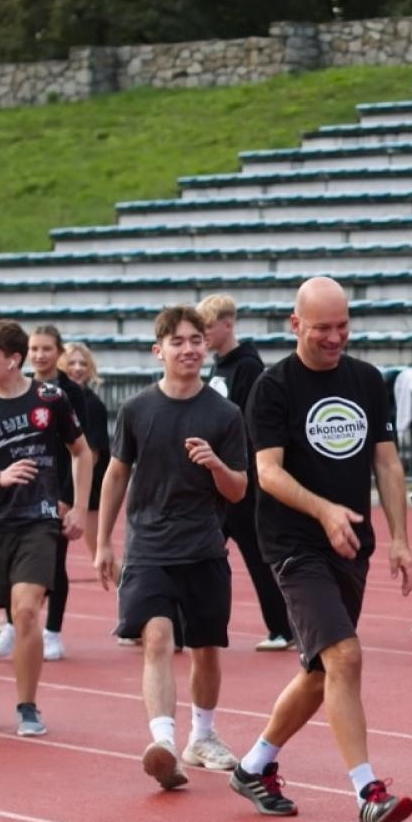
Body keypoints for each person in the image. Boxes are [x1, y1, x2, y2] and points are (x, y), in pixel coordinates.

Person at [229, 276, 412, 822]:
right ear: (295, 325)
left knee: (319, 671)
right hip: (293, 544)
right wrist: (325, 511)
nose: (335, 338)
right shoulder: (272, 386)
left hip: (350, 543)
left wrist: (402, 537)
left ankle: (253, 766)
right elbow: (268, 472)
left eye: (343, 326)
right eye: (322, 328)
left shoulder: (364, 380)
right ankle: (368, 793)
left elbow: (386, 463)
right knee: (346, 658)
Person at [96, 306, 248, 789]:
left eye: (196, 340)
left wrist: (215, 466)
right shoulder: (137, 410)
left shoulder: (225, 414)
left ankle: (202, 736)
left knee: (206, 649)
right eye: (178, 341)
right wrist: (103, 541)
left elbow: (239, 490)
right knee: (157, 640)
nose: (189, 349)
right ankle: (163, 743)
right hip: (149, 548)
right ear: (157, 350)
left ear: (207, 347)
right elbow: (116, 473)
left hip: (203, 546)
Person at [0, 320, 94, 736]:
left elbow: (82, 453)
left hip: (37, 522)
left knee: (26, 612)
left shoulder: (52, 399)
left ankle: (28, 705)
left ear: (12, 360)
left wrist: (79, 507)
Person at [198, 293, 293, 652]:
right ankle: (175, 626)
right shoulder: (217, 366)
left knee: (258, 555)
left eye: (208, 327)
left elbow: (245, 420)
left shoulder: (247, 367)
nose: (204, 335)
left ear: (227, 324)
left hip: (242, 479)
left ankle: (283, 626)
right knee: (197, 550)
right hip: (219, 478)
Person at [0, 324, 89, 664]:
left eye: (46, 348)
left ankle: (53, 631)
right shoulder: (15, 389)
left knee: (55, 564)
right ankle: (10, 624)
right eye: (34, 349)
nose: (39, 355)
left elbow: (79, 449)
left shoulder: (69, 394)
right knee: (9, 561)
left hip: (55, 490)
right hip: (18, 492)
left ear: (59, 352)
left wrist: (68, 496)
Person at [60, 342, 110, 564]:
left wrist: (69, 495)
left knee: (99, 551)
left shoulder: (93, 405)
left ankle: (125, 590)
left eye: (83, 363)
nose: (78, 368)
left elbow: (93, 453)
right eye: (72, 363)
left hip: (85, 484)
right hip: (59, 481)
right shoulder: (52, 398)